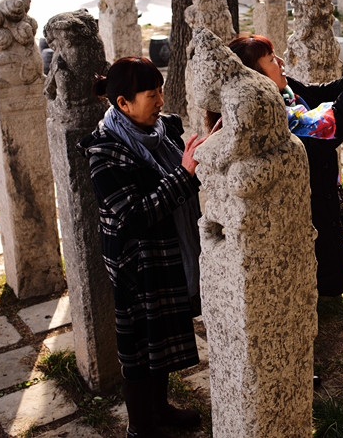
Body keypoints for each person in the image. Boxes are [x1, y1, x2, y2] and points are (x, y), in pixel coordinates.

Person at [78, 57, 207, 438]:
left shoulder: (163, 129)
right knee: (139, 347)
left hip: (170, 251)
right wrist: (184, 175)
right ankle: (141, 426)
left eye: (161, 91)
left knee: (163, 340)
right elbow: (132, 216)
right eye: (151, 94)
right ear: (123, 103)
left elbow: (183, 166)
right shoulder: (104, 151)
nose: (160, 100)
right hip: (136, 263)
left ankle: (161, 410)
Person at [227, 34, 343, 297]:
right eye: (271, 60)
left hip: (321, 193)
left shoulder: (287, 91)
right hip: (301, 206)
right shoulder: (267, 116)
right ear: (255, 76)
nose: (280, 62)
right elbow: (323, 135)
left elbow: (323, 93)